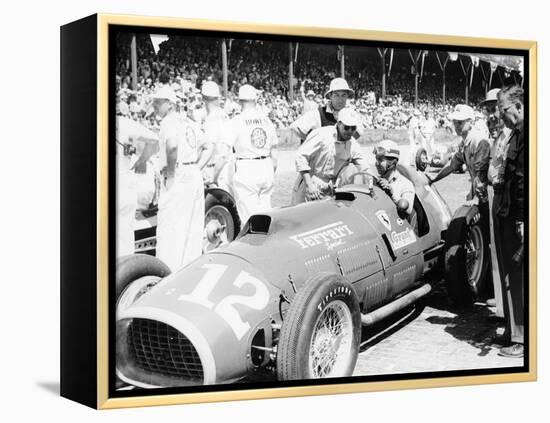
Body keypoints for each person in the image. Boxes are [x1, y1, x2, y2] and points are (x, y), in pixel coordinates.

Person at [153, 86, 213, 271]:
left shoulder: (168, 122)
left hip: (178, 173)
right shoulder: (188, 121)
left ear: (169, 105)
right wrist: (196, 167)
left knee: (170, 228)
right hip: (192, 172)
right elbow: (209, 146)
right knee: (191, 229)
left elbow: (171, 147)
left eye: (158, 102)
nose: (154, 106)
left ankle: (167, 274)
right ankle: (187, 273)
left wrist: (171, 170)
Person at [494, 85, 525, 358]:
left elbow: (524, 182)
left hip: (519, 216)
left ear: (517, 106)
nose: (499, 115)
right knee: (511, 275)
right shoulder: (516, 133)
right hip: (509, 212)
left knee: (519, 276)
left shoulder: (529, 134)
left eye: (503, 109)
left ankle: (522, 339)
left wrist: (524, 219)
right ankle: (515, 332)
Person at [292, 107, 368, 204]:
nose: (349, 131)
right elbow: (301, 157)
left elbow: (364, 167)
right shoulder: (321, 134)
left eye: (353, 128)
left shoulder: (353, 144)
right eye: (346, 127)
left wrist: (376, 181)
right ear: (339, 123)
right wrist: (309, 185)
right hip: (311, 182)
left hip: (330, 189)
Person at [228, 84, 278, 225]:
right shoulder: (266, 120)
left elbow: (226, 150)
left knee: (249, 219)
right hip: (266, 165)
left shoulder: (236, 121)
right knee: (266, 215)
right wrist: (271, 171)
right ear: (255, 100)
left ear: (239, 101)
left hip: (247, 166)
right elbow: (275, 152)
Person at [115, 109, 159, 257]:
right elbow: (154, 140)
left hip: (117, 183)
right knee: (124, 238)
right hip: (124, 182)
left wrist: (141, 161)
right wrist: (142, 160)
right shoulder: (125, 123)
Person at [429, 104, 491, 207]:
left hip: (487, 194)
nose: (457, 126)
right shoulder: (464, 141)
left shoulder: (479, 140)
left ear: (470, 122)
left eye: (460, 122)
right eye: (454, 122)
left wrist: (476, 199)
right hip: (478, 192)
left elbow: (482, 172)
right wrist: (434, 178)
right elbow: (452, 164)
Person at [290, 77, 356, 144]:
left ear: (347, 96)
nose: (340, 99)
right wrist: (313, 143)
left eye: (343, 95)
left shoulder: (350, 114)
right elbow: (295, 127)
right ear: (330, 96)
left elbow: (359, 132)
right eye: (336, 95)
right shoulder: (318, 114)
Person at [200, 81, 234, 194]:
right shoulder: (223, 115)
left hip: (218, 170)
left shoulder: (213, 119)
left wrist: (213, 176)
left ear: (203, 98)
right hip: (226, 167)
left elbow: (217, 150)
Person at [373, 140, 415, 216]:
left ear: (393, 163)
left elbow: (407, 210)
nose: (376, 163)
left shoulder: (406, 184)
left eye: (381, 160)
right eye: (376, 159)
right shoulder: (374, 181)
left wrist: (392, 194)